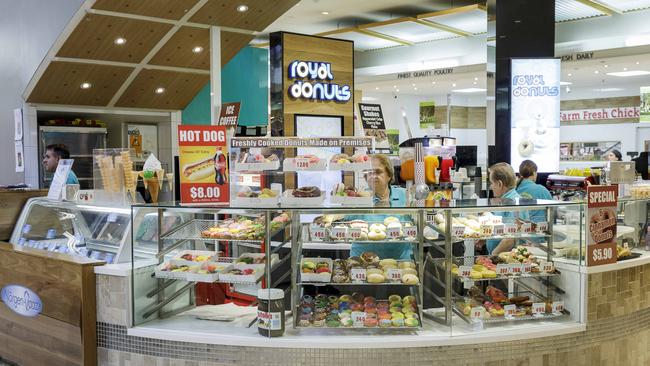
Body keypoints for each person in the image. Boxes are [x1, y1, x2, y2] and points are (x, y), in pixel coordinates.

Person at [347, 154, 410, 259]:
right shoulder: (359, 197)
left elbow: (419, 217)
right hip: (362, 261)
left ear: (389, 175)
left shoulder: (405, 195)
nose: (373, 176)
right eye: (369, 173)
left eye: (378, 172)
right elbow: (342, 215)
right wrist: (330, 217)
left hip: (399, 261)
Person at [486, 162, 529, 254]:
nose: (491, 186)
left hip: (507, 259)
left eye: (492, 183)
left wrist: (492, 256)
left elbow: (510, 239)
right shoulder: (505, 200)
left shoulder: (513, 203)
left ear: (500, 184)